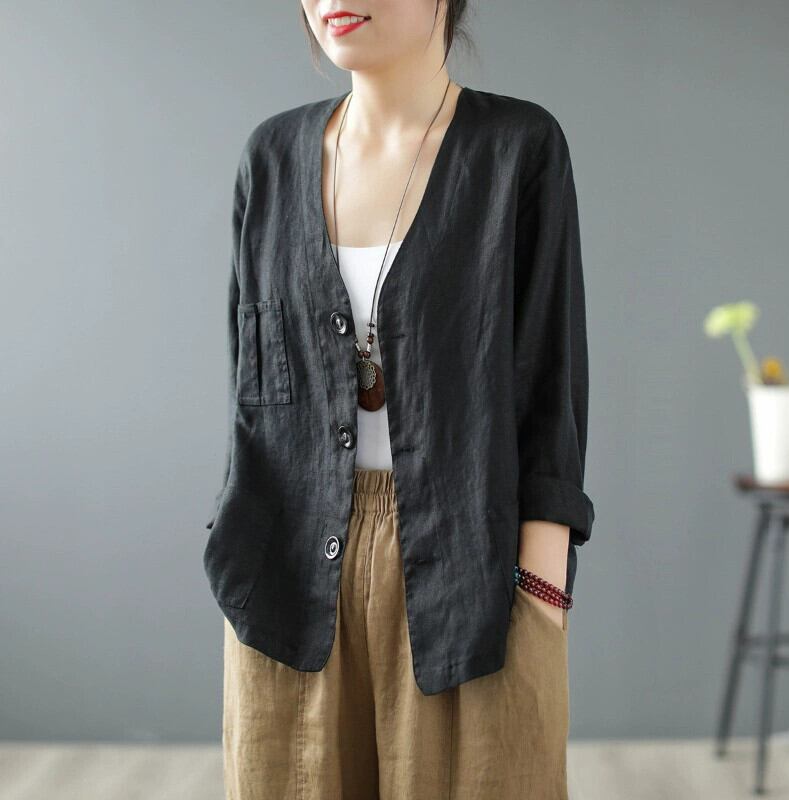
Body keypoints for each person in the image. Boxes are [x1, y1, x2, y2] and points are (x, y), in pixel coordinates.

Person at [204, 1, 595, 797]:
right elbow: (253, 394)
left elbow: (550, 383)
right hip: (284, 580)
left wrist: (540, 598)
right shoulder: (270, 158)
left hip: (475, 573)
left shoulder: (517, 150)